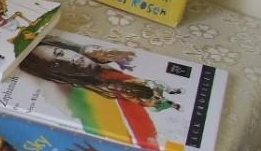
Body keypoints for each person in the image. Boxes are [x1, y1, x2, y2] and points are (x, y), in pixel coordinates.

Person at [21, 36, 184, 111]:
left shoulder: (103, 55)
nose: (71, 60)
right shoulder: (93, 94)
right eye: (56, 64)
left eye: (60, 52)